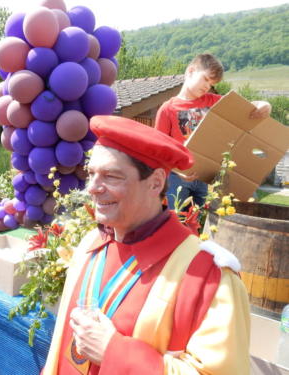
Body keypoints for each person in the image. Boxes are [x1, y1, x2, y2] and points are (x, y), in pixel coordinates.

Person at [43, 115, 250, 374]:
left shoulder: (208, 276)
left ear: (156, 182)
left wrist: (114, 352)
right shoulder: (90, 245)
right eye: (91, 174)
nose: (93, 188)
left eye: (111, 176)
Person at [155, 53, 272, 209]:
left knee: (205, 223)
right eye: (205, 79)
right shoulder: (167, 109)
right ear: (190, 71)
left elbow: (247, 108)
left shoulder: (213, 101)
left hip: (205, 179)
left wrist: (264, 104)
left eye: (211, 84)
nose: (207, 86)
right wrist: (178, 172)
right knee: (178, 221)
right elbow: (158, 150)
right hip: (178, 179)